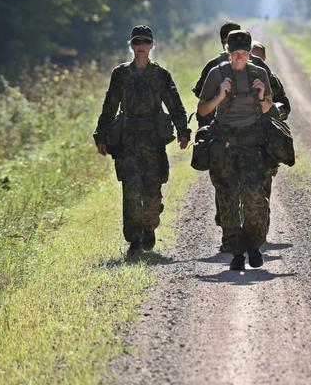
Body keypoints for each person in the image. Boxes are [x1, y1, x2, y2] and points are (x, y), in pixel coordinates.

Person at [94, 25, 190, 257]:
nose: (141, 47)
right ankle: (134, 240)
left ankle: (149, 226)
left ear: (152, 45)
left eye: (145, 42)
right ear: (131, 45)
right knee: (131, 192)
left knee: (152, 194)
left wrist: (183, 130)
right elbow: (110, 104)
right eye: (136, 42)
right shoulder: (120, 74)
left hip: (153, 142)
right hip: (127, 142)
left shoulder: (160, 75)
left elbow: (174, 104)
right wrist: (101, 134)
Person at [197, 29, 273, 271]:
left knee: (255, 198)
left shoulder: (259, 73)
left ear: (250, 53)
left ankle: (253, 246)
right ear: (228, 52)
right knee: (228, 201)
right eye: (235, 53)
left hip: (252, 143)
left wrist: (262, 95)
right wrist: (220, 95)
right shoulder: (216, 74)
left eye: (244, 53)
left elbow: (268, 107)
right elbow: (202, 111)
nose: (240, 58)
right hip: (225, 144)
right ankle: (236, 252)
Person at [250, 40, 291, 121]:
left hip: (265, 119)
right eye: (252, 58)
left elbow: (284, 106)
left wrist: (276, 111)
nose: (255, 62)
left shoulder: (271, 78)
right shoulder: (236, 74)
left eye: (258, 58)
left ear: (264, 57)